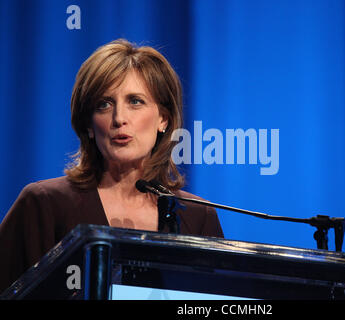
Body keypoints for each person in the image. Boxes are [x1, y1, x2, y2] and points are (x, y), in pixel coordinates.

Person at [0, 39, 224, 293]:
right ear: (88, 125)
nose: (119, 118)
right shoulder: (44, 204)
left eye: (135, 101)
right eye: (104, 104)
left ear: (163, 118)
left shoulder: (197, 217)